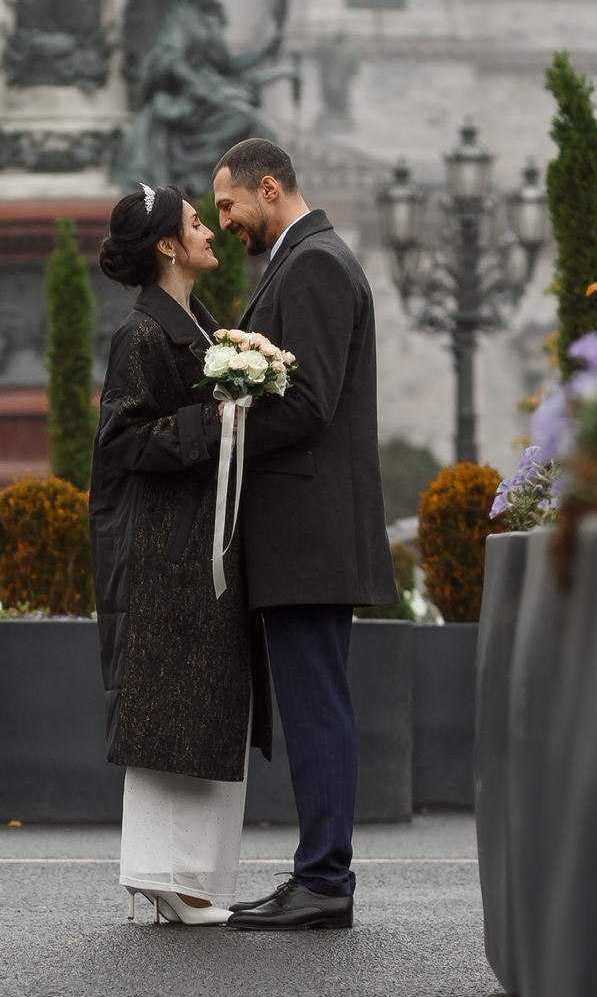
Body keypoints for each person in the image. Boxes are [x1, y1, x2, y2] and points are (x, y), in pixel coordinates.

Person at [210, 138, 394, 932]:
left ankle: (324, 878)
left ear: (270, 188)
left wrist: (227, 423)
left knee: (317, 707)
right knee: (317, 704)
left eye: (229, 206)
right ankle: (319, 874)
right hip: (309, 531)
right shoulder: (308, 258)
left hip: (309, 534)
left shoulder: (314, 263)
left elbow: (311, 399)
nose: (224, 224)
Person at [90, 183, 270, 925]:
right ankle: (174, 876)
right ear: (168, 244)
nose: (210, 232)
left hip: (194, 543)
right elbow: (124, 440)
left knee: (199, 704)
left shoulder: (194, 325)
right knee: (174, 706)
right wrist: (216, 417)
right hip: (166, 547)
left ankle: (183, 878)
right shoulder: (142, 334)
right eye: (197, 223)